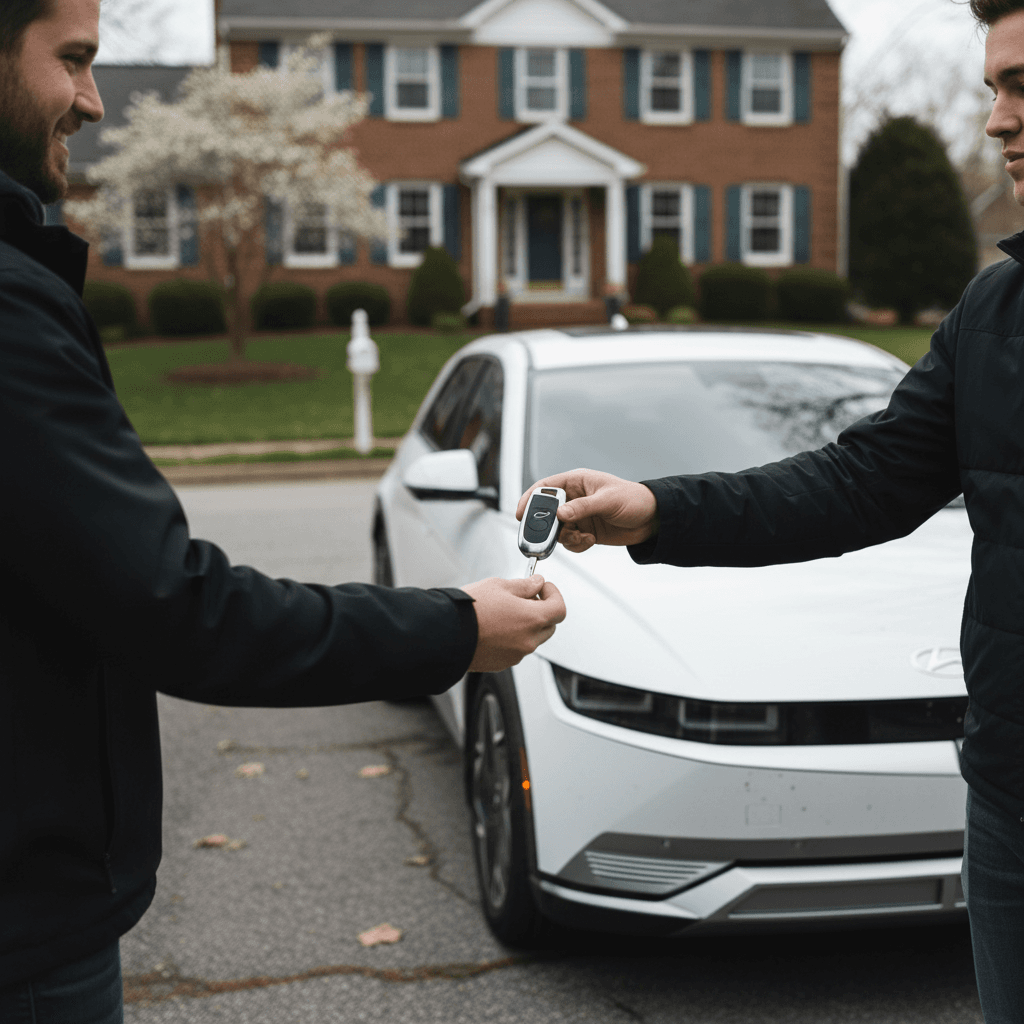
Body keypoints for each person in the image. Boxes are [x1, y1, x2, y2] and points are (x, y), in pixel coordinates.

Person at [0, 1, 566, 1020]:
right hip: (25, 928)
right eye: (74, 59)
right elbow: (174, 606)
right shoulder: (7, 310)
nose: (93, 99)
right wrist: (456, 627)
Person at [519, 4, 1024, 1020]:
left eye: (1023, 88)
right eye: (995, 91)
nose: (999, 123)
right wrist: (659, 508)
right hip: (1012, 796)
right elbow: (862, 480)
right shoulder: (991, 314)